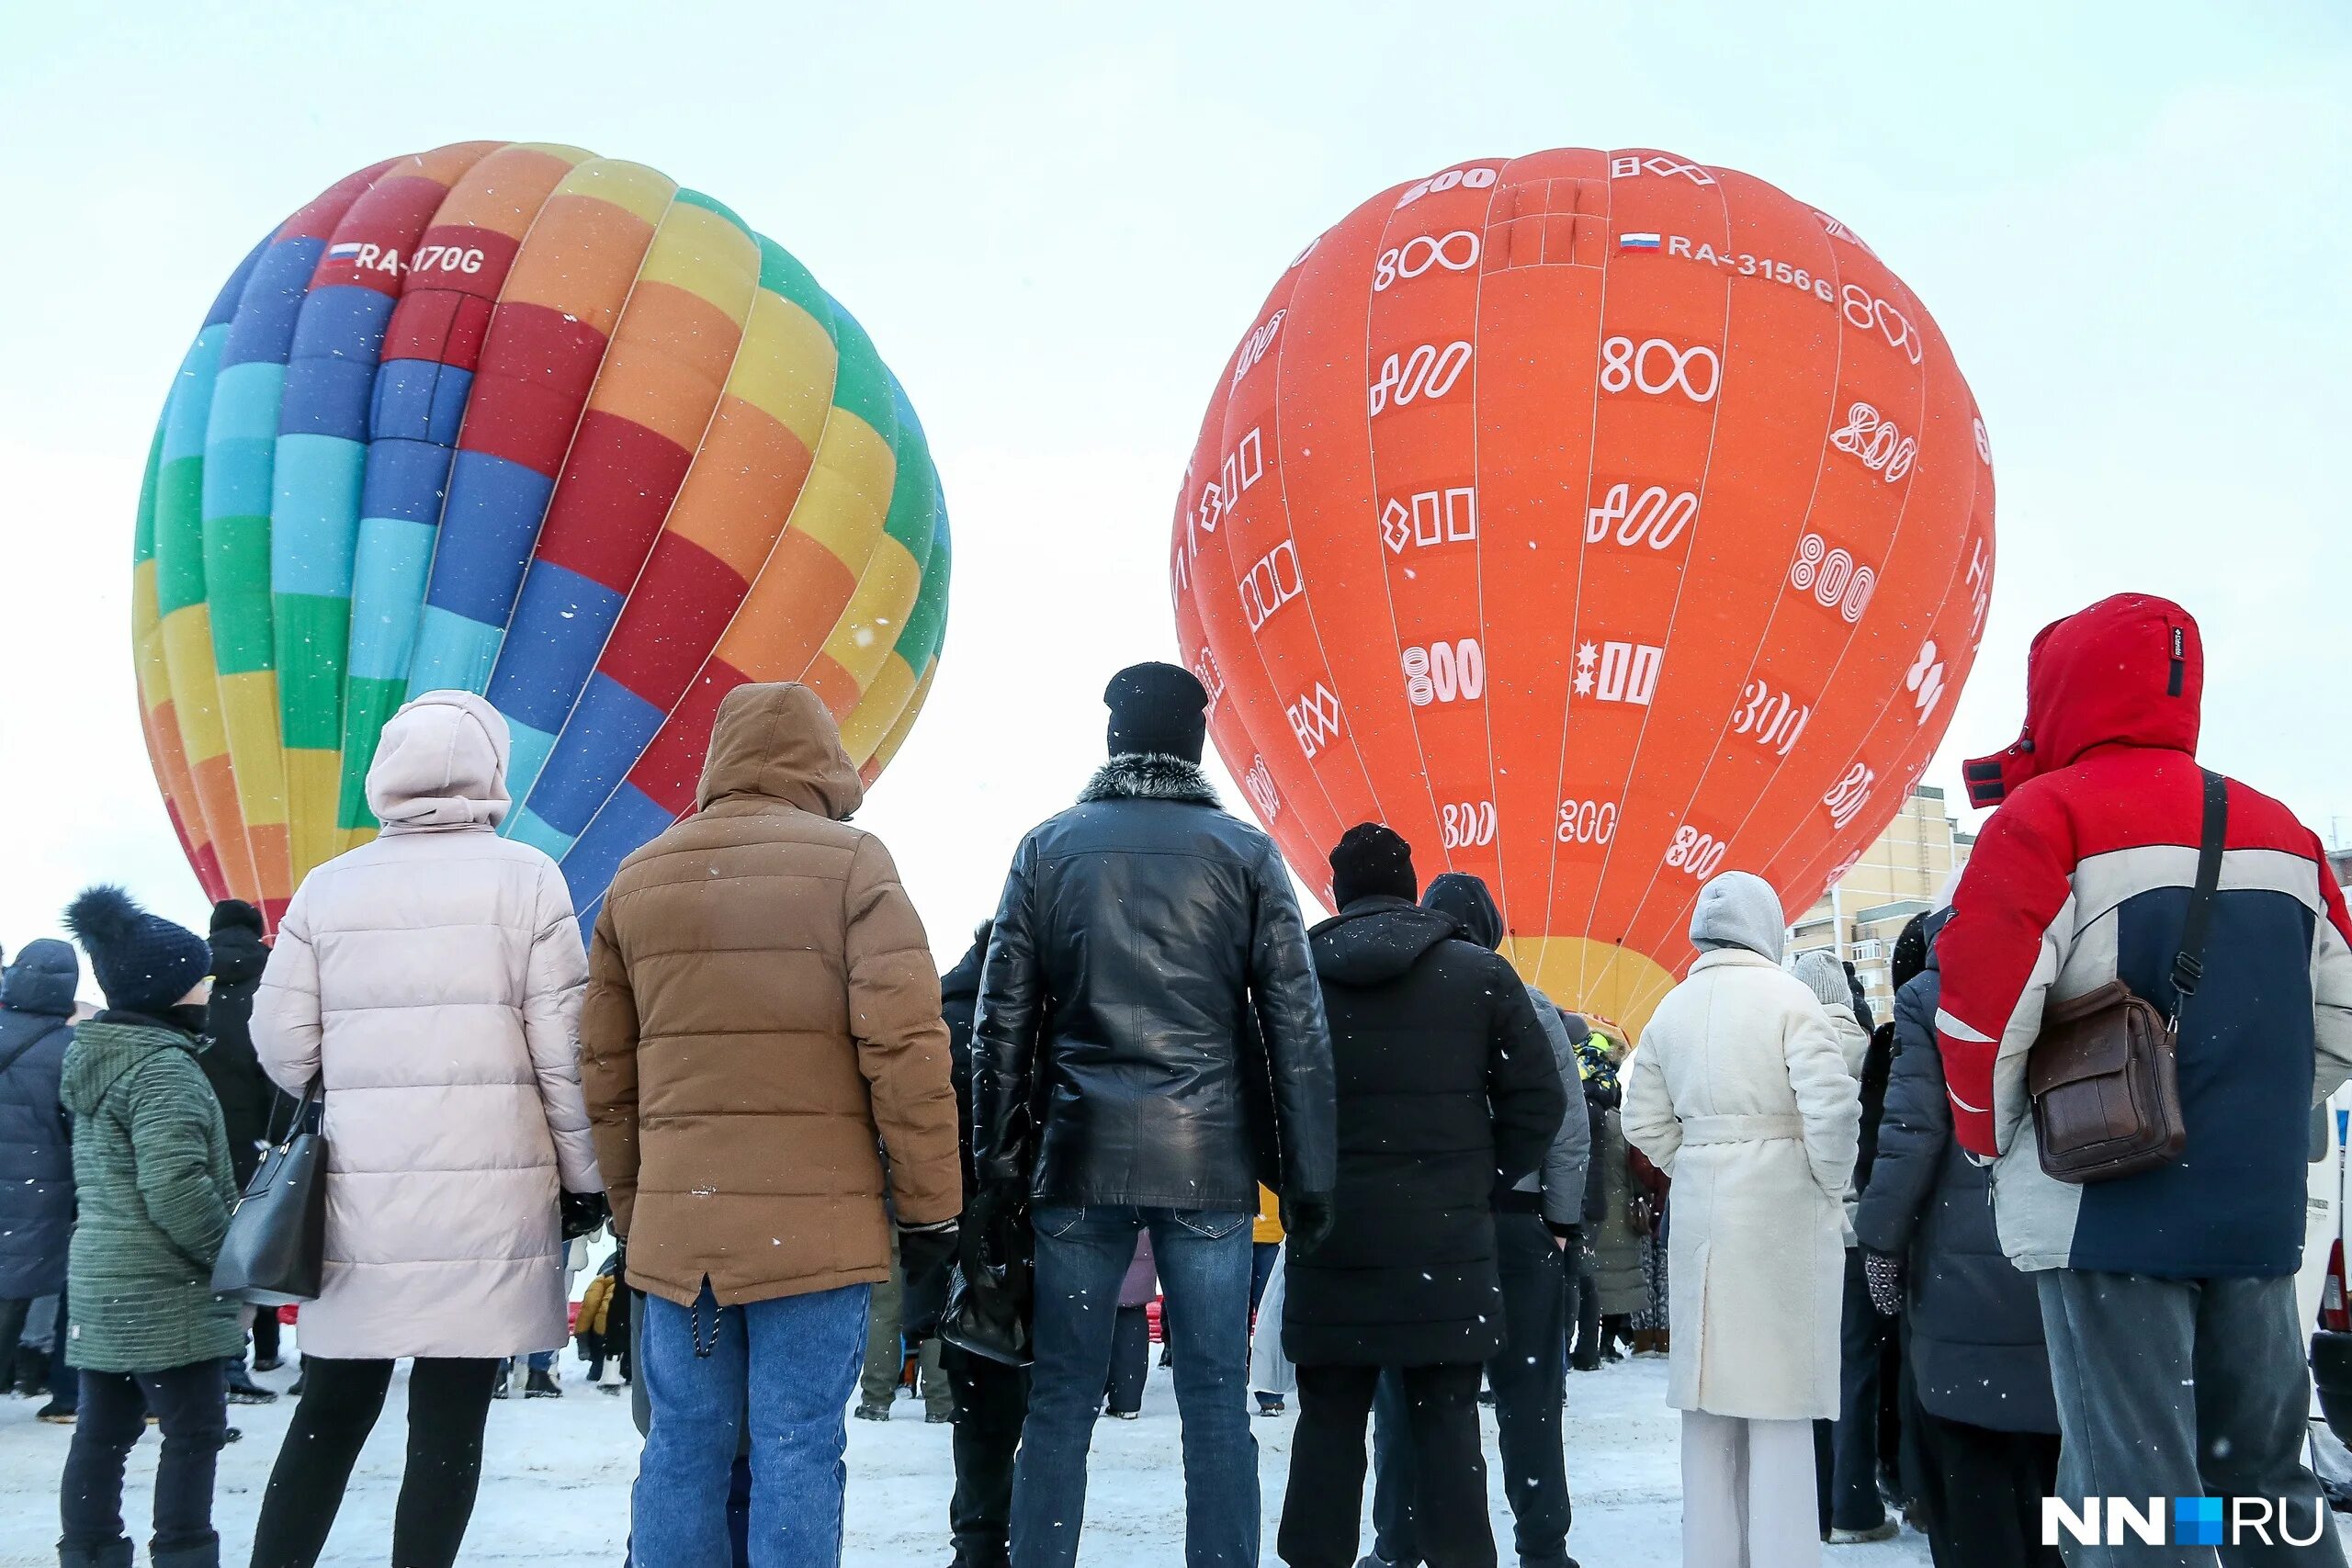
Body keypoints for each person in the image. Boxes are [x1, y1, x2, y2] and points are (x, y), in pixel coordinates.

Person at [1935, 593, 2352, 1564]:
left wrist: (1995, 1138)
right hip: (2253, 1210)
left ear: (2063, 690)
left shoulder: (2046, 817)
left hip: (2106, 1204)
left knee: (2131, 1491)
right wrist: (2249, 1112)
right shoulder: (2282, 831)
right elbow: (2342, 1019)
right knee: (2263, 1475)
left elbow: (1980, 1017)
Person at [580, 681, 960, 1568]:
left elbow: (608, 1074)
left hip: (686, 1232)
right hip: (817, 1226)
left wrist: (641, 1213)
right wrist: (930, 1207)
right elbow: (908, 1052)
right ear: (824, 762)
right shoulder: (854, 865)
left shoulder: (640, 875)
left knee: (682, 1446)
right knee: (797, 1445)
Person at [971, 661, 1335, 1568]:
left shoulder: (1047, 849)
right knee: (1215, 1402)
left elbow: (1000, 1025)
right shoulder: (1247, 856)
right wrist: (1309, 1176)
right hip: (1207, 1162)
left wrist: (999, 1169)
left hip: (1078, 1159)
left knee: (1060, 1399)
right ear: (1194, 746)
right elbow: (1296, 1027)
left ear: (1111, 740)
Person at [243, 692, 603, 1568]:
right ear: (491, 772)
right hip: (491, 1197)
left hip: (362, 1197)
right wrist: (586, 1178)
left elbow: (282, 1047)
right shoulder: (528, 879)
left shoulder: (329, 888)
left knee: (329, 1411)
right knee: (450, 1421)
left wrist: (360, 1074)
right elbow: (566, 1055)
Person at [1278, 829, 1565, 1568]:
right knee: (1447, 1429)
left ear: (1337, 890)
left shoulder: (1295, 974)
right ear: (1410, 884)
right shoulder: (1480, 976)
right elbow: (1540, 1100)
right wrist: (1483, 1178)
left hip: (1333, 1244)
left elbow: (1254, 1099)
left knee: (1329, 1431)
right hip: (1446, 1247)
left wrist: (1306, 1186)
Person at [1623, 869, 1860, 1568]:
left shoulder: (1671, 1009)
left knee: (1711, 1407)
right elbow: (1832, 1109)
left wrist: (1698, 1154)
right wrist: (1824, 1178)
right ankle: (1784, 1554)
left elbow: (1643, 1121)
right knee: (1779, 1404)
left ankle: (1714, 1554)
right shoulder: (1791, 1000)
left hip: (1702, 1215)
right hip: (1781, 1215)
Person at [1364, 871, 1589, 1568]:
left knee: (1409, 1396)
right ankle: (1544, 1548)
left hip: (1423, 1226)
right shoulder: (1531, 1003)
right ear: (1492, 927)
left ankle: (1399, 1545)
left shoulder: (1394, 1002)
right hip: (1516, 1223)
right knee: (1530, 1397)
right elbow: (1568, 1127)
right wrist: (1557, 1221)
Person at [1857, 904, 2059, 1566]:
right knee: (2065, 1491)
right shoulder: (2078, 964)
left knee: (1971, 1481)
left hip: (1960, 1274)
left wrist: (1881, 1243)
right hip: (2064, 1259)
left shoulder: (1931, 995)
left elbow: (1910, 1134)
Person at [56, 886, 240, 1568]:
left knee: (102, 1432)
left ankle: (90, 1550)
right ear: (168, 990)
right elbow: (176, 1185)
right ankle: (184, 1553)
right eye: (199, 975)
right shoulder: (163, 1068)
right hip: (165, 1285)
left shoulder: (97, 1058)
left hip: (102, 1275)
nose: (208, 985)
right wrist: (231, 1255)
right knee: (195, 1430)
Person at [1790, 948, 1894, 1545]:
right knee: (1858, 1370)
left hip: (1802, 1235)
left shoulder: (1787, 1052)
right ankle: (1854, 1504)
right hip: (1859, 1236)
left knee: (1810, 1373)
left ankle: (1811, 1497)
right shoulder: (1870, 1049)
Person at [937, 920, 1030, 1568]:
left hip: (962, 1239)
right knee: (1050, 1403)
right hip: (1040, 1228)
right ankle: (1034, 1538)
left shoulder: (941, 1018)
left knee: (979, 1404)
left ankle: (977, 1542)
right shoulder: (1042, 1019)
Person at [198, 898, 280, 1404]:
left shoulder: (184, 984)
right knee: (243, 1256)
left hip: (188, 1138)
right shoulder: (270, 988)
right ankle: (230, 1359)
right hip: (253, 1142)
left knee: (194, 1250)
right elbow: (280, 1069)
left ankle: (188, 1361)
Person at [0, 940, 78, 1401]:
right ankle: (21, 1374)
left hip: (28, 1178)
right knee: (13, 1291)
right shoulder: (70, 1049)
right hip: (39, 1190)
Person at [1572, 1032, 1641, 1372]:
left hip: (1583, 1201)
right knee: (1610, 1280)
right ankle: (1601, 1344)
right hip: (1612, 1205)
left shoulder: (1579, 1110)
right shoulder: (1616, 1120)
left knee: (1586, 1279)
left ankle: (1585, 1347)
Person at [857, 1228, 952, 1423]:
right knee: (934, 1309)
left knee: (884, 1313)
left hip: (888, 1221)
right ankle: (941, 1402)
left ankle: (875, 1399)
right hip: (933, 1224)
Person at [1106, 1235, 1157, 1419]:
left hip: (1102, 1239)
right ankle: (1127, 1401)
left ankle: (1088, 1396)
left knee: (1092, 1322)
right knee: (1131, 1320)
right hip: (1141, 1239)